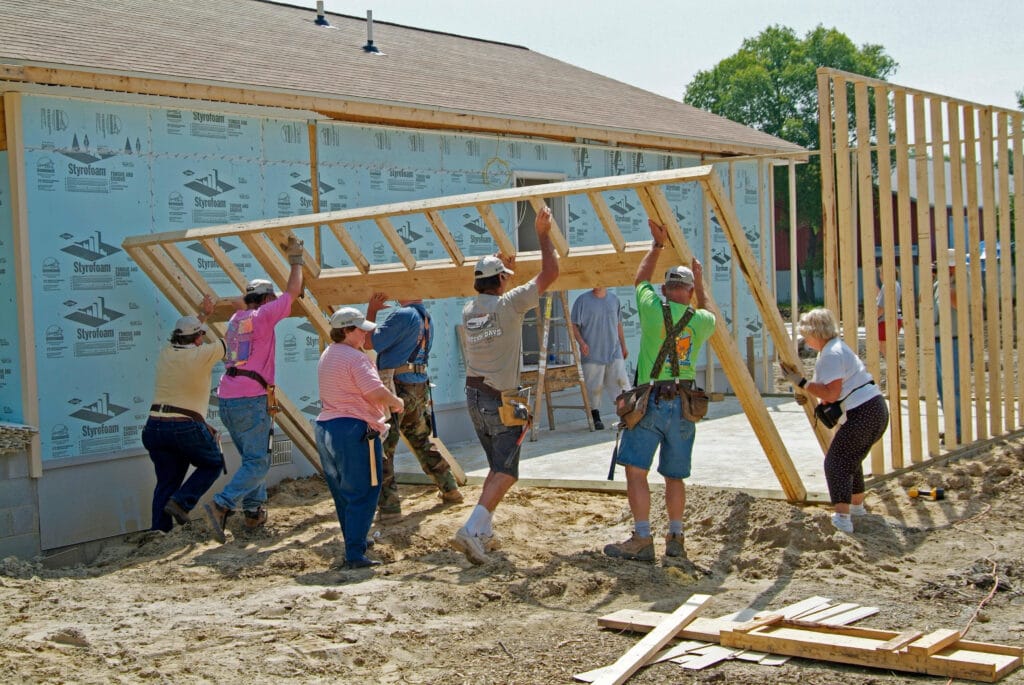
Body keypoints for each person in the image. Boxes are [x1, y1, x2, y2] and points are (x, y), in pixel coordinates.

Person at [450, 205, 559, 565]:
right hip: (500, 400)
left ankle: (484, 530)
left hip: (474, 396)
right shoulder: (510, 306)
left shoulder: (470, 310)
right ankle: (471, 528)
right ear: (499, 282)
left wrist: (497, 269)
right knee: (507, 471)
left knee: (497, 467)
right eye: (505, 278)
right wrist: (542, 235)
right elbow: (551, 272)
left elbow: (493, 294)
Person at [602, 218, 715, 562]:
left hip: (650, 404)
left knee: (637, 471)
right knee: (674, 476)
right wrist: (701, 283)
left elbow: (639, 280)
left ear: (666, 290)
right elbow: (709, 310)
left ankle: (641, 537)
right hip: (683, 406)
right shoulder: (701, 321)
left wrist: (657, 245)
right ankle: (676, 538)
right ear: (690, 293)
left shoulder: (652, 310)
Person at [204, 236, 305, 543]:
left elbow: (243, 304)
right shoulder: (262, 316)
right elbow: (293, 291)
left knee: (252, 456)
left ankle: (253, 512)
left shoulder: (237, 318)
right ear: (264, 300)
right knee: (259, 461)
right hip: (250, 399)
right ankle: (222, 505)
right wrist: (297, 261)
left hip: (228, 397)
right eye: (270, 299)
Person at [781, 307, 889, 534]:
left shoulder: (831, 354)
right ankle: (857, 509)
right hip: (874, 410)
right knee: (851, 460)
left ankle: (842, 518)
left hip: (862, 413)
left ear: (815, 332)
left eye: (806, 334)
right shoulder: (835, 349)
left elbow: (830, 393)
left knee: (836, 463)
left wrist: (801, 383)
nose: (806, 340)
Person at [315, 307, 404, 569]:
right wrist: (396, 401)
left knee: (344, 492)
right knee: (365, 489)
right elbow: (374, 391)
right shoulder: (356, 358)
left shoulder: (328, 354)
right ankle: (355, 552)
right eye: (360, 328)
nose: (367, 332)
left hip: (326, 427)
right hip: (355, 429)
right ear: (347, 331)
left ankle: (354, 540)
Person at [363, 293, 463, 520]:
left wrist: (372, 311)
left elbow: (370, 342)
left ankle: (389, 509)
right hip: (418, 385)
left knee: (384, 446)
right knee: (420, 439)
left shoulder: (402, 314)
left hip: (397, 386)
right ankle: (449, 488)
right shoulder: (425, 316)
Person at [143, 295, 225, 532]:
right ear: (199, 339)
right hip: (183, 427)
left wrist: (204, 315)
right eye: (201, 335)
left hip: (154, 427)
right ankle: (182, 502)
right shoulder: (203, 354)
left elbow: (188, 332)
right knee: (213, 463)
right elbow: (233, 339)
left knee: (166, 482)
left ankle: (159, 533)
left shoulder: (167, 352)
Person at [570, 287, 630, 430]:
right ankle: (595, 416)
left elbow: (618, 324)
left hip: (613, 350)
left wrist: (623, 345)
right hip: (592, 352)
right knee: (594, 388)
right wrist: (581, 342)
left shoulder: (614, 300)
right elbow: (573, 325)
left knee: (621, 384)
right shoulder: (582, 300)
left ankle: (626, 415)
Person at [933, 249, 963, 443]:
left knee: (954, 387)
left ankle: (958, 429)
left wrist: (946, 285)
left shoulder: (963, 280)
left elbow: (959, 303)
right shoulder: (938, 284)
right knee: (943, 388)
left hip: (953, 338)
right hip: (939, 339)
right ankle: (952, 425)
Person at [875, 264, 902, 357]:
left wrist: (873, 318)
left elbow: (882, 307)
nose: (880, 276)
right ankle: (894, 367)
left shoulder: (886, 286)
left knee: (884, 347)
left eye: (881, 273)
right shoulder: (896, 284)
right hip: (895, 319)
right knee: (889, 346)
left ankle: (893, 368)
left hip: (886, 320)